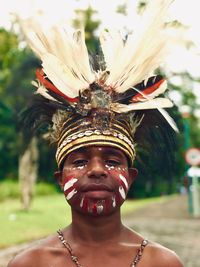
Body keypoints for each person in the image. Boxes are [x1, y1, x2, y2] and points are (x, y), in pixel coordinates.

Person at [8, 0, 183, 266]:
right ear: (59, 177)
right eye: (79, 161)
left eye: (113, 160)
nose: (97, 170)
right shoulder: (30, 263)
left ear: (131, 176)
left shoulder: (162, 262)